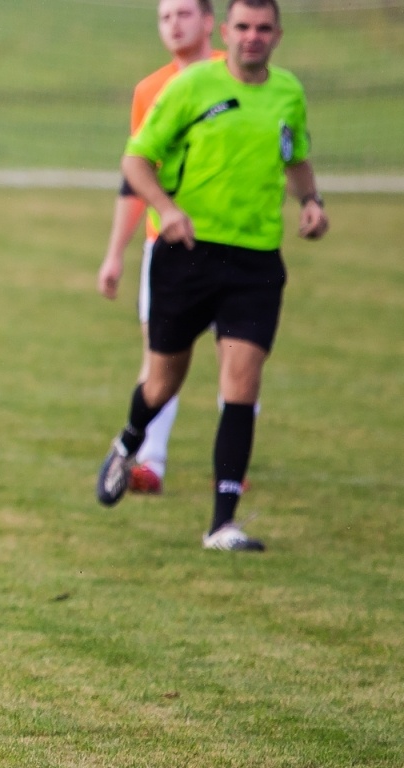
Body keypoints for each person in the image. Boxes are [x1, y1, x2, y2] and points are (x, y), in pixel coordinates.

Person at [96, 0, 328, 551]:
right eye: (243, 27)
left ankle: (222, 522)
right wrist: (167, 210)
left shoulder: (287, 93)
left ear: (277, 35)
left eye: (263, 28)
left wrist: (311, 200)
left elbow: (293, 153)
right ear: (226, 31)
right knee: (162, 382)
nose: (253, 37)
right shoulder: (188, 87)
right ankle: (129, 442)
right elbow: (136, 161)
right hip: (187, 254)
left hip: (255, 261)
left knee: (241, 383)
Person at [97, 0, 223, 496]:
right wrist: (114, 253)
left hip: (235, 243)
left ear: (210, 22)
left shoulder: (237, 80)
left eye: (185, 13)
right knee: (160, 356)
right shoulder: (150, 90)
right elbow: (136, 174)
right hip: (167, 247)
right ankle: (150, 462)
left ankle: (230, 466)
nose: (174, 24)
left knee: (239, 360)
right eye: (165, 16)